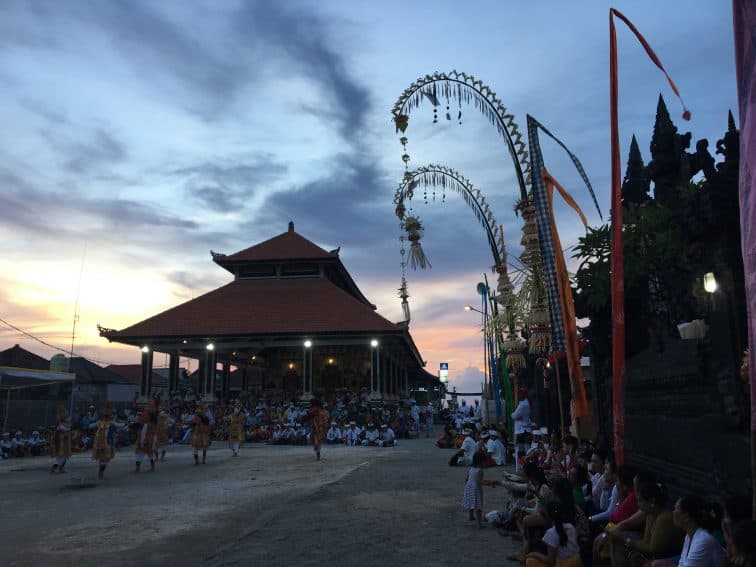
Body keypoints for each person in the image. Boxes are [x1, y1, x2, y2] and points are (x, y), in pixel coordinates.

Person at [608, 482, 682, 566]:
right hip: (656, 555)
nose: (638, 505)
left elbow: (653, 549)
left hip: (670, 557)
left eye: (640, 501)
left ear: (652, 501)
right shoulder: (650, 514)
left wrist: (625, 540)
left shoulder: (665, 517)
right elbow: (646, 542)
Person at [649, 495, 725, 567]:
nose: (673, 512)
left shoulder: (703, 540)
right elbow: (682, 563)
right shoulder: (689, 536)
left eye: (676, 509)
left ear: (686, 516)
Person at [525, 501, 584, 567]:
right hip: (577, 561)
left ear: (547, 515)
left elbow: (550, 561)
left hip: (563, 564)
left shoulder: (551, 533)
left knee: (530, 560)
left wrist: (533, 554)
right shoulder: (570, 526)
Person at [462, 452, 489, 528]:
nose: (485, 463)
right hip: (476, 489)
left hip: (469, 487)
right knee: (478, 506)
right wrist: (489, 483)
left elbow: (467, 478)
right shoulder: (480, 470)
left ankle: (471, 516)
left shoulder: (471, 468)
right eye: (484, 461)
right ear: (480, 461)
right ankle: (479, 524)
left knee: (472, 503)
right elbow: (480, 481)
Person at [92, 402, 116, 480]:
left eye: (108, 416)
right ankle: (101, 472)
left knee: (105, 459)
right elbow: (91, 425)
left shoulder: (112, 423)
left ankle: (101, 472)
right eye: (106, 416)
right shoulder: (100, 422)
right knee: (103, 459)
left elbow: (119, 425)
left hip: (107, 442)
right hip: (100, 442)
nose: (107, 418)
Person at [134, 403, 158, 473]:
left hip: (145, 438)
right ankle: (152, 468)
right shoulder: (153, 420)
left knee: (140, 453)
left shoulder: (147, 420)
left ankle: (138, 468)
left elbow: (140, 423)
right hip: (150, 438)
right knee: (150, 453)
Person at [512, 387, 532, 473]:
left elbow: (514, 416)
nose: (519, 395)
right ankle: (525, 470)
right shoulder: (525, 403)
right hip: (525, 430)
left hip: (521, 431)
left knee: (520, 452)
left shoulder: (523, 404)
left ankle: (521, 470)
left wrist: (514, 415)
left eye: (521, 393)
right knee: (525, 451)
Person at [50, 406, 72, 473]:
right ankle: (56, 467)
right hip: (61, 443)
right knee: (62, 456)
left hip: (63, 442)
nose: (68, 418)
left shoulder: (61, 424)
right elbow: (67, 429)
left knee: (63, 457)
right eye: (66, 417)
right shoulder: (61, 425)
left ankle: (60, 468)